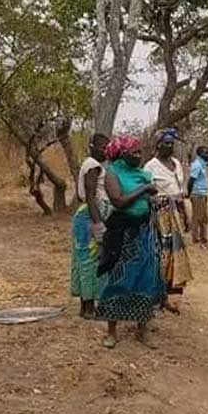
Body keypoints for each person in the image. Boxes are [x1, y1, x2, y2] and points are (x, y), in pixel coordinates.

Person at [97, 135, 161, 349]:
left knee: (146, 279)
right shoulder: (113, 173)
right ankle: (111, 331)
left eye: (139, 152)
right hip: (121, 234)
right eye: (133, 152)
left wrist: (154, 200)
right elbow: (118, 201)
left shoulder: (143, 174)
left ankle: (142, 329)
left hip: (143, 231)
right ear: (122, 154)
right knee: (117, 278)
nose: (138, 155)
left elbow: (147, 200)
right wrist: (144, 190)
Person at [145, 128, 193, 314]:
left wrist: (185, 217)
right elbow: (147, 192)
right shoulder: (150, 167)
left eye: (172, 143)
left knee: (175, 255)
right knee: (161, 254)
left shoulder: (176, 164)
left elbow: (180, 192)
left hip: (176, 215)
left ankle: (166, 296)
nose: (170, 146)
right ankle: (155, 295)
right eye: (166, 143)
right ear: (158, 145)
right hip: (160, 215)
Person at [71, 133, 111, 319]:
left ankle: (86, 305)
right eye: (102, 147)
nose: (105, 151)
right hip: (89, 217)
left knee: (85, 260)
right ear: (91, 146)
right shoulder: (93, 166)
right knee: (88, 261)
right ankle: (88, 308)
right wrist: (98, 226)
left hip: (87, 216)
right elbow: (90, 196)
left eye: (107, 148)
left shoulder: (92, 164)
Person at [188, 146, 208, 246]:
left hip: (202, 194)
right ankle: (196, 239)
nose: (207, 155)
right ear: (199, 154)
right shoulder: (197, 165)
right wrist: (189, 193)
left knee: (203, 217)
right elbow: (191, 180)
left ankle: (202, 238)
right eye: (205, 153)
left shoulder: (203, 164)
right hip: (197, 194)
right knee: (198, 218)